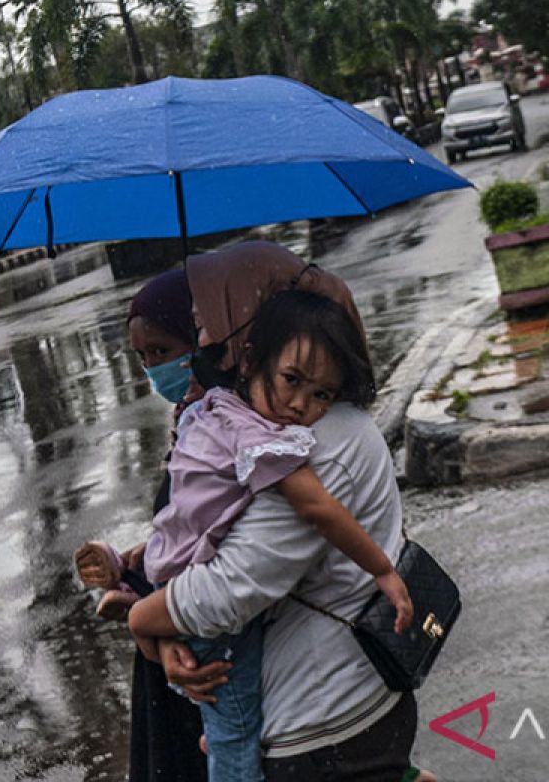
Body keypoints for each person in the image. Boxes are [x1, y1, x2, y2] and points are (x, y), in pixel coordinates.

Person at [120, 242, 433, 781]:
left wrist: (143, 619)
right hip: (328, 708)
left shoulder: (313, 444)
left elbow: (228, 592)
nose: (203, 339)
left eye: (210, 320)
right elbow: (207, 533)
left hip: (323, 724)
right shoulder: (270, 422)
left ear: (251, 324)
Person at [76, 267, 208, 782]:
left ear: (200, 339)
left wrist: (151, 621)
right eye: (143, 356)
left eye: (162, 349)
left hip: (197, 652)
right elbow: (188, 528)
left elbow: (225, 545)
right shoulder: (190, 419)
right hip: (168, 649)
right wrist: (139, 555)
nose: (153, 366)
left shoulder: (228, 431)